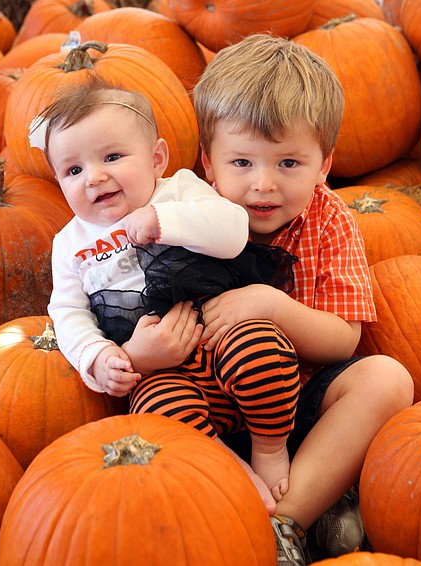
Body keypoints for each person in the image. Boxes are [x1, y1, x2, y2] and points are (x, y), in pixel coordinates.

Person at [191, 34, 415, 564]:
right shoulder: (188, 217)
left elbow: (344, 340)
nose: (263, 184)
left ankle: (285, 523)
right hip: (215, 413)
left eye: (289, 164)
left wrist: (273, 307)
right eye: (241, 163)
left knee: (386, 379)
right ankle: (271, 503)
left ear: (324, 165)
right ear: (208, 162)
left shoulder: (330, 222)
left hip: (303, 409)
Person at [30, 74, 301, 511]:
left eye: (113, 157)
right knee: (156, 416)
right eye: (74, 170)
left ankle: (269, 446)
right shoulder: (70, 243)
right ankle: (227, 465)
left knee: (262, 352)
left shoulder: (178, 190)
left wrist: (166, 221)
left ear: (156, 158)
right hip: (159, 370)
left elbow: (233, 231)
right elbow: (67, 312)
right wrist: (99, 357)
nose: (94, 178)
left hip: (219, 333)